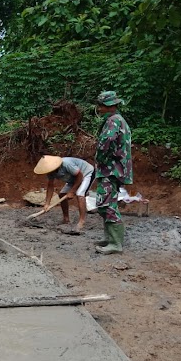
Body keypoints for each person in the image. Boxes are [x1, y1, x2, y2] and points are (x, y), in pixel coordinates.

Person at [94, 91, 133, 254]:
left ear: (107, 106)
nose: (98, 108)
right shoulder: (118, 120)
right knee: (107, 203)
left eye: (100, 105)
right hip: (115, 169)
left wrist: (100, 158)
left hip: (110, 169)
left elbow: (107, 141)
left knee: (106, 204)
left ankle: (116, 244)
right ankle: (110, 239)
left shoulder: (113, 121)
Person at [34, 155, 95, 231]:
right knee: (62, 194)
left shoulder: (66, 164)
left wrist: (72, 191)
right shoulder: (50, 172)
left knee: (80, 194)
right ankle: (66, 219)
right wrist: (47, 203)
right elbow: (50, 186)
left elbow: (80, 176)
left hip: (85, 173)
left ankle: (82, 221)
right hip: (73, 179)